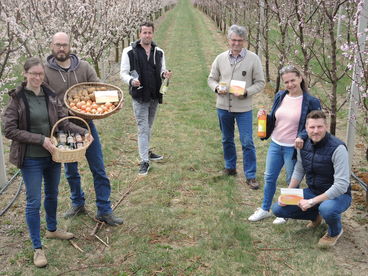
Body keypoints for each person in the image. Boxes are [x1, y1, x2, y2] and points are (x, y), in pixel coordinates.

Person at [2, 57, 90, 267]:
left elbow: (63, 122)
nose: (37, 77)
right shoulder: (17, 99)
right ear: (25, 74)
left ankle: (52, 229)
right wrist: (40, 139)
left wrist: (84, 132)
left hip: (53, 156)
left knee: (52, 194)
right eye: (33, 73)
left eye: (40, 74)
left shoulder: (50, 96)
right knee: (33, 201)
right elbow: (9, 130)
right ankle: (37, 248)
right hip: (31, 158)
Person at [43, 32, 123, 226]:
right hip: (63, 128)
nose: (61, 48)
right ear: (51, 46)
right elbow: (44, 100)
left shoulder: (84, 67)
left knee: (98, 167)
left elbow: (99, 89)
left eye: (64, 45)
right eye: (57, 45)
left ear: (70, 46)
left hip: (85, 125)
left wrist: (113, 101)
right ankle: (77, 202)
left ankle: (104, 209)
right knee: (71, 170)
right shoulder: (45, 72)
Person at [248, 65, 321, 224]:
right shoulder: (280, 95)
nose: (290, 84)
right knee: (269, 177)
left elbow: (315, 125)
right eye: (286, 82)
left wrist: (302, 136)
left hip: (293, 148)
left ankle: (285, 212)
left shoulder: (311, 101)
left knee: (291, 179)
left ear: (300, 78)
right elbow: (276, 119)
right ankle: (265, 209)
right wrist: (265, 116)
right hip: (276, 144)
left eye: (292, 80)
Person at [272, 110, 351, 248]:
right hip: (314, 191)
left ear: (325, 127)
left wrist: (312, 202)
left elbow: (341, 186)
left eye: (319, 127)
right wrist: (288, 194)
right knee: (278, 209)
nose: (316, 131)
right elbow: (299, 169)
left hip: (339, 196)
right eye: (312, 127)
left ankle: (335, 231)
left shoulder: (338, 148)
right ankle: (315, 216)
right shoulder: (303, 144)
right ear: (306, 128)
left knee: (327, 208)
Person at [208, 24, 265, 189]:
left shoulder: (253, 59)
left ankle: (251, 175)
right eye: (233, 40)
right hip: (223, 106)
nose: (236, 44)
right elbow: (211, 79)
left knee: (247, 141)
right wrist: (217, 88)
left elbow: (260, 82)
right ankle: (230, 166)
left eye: (240, 40)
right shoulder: (220, 58)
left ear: (244, 41)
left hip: (244, 108)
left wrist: (247, 92)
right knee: (227, 138)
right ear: (228, 40)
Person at [120, 21, 172, 176]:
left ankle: (146, 151)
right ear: (139, 34)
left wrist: (165, 75)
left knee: (148, 126)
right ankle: (144, 161)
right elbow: (123, 72)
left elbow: (162, 69)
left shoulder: (159, 51)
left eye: (150, 32)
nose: (147, 35)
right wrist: (131, 81)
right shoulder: (129, 51)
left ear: (153, 33)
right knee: (143, 128)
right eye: (144, 32)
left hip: (155, 94)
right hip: (140, 95)